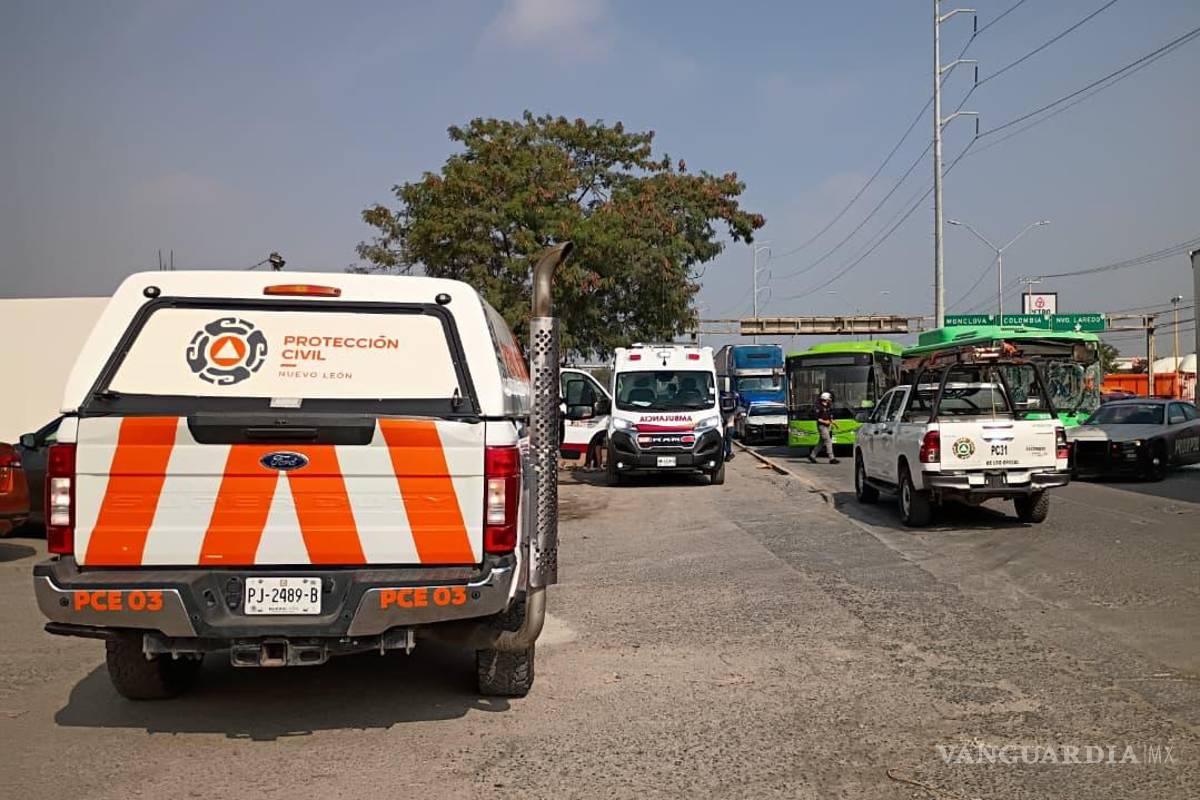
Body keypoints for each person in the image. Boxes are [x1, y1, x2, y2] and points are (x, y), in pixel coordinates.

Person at [808, 391, 839, 464]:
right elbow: (817, 418)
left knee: (821, 442)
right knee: (828, 441)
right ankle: (832, 458)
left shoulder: (828, 406)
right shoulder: (818, 407)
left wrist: (833, 422)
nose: (830, 400)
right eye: (829, 398)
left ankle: (812, 456)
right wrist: (825, 422)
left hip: (827, 426)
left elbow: (829, 416)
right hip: (822, 426)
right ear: (826, 398)